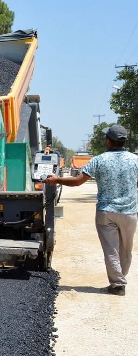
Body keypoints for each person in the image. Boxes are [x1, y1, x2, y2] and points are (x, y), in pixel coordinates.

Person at [43, 124, 138, 296]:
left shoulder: (99, 160)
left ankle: (118, 283)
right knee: (126, 249)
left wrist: (56, 180)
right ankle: (119, 280)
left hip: (106, 212)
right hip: (129, 213)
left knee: (111, 249)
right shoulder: (135, 160)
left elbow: (78, 181)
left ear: (108, 140)